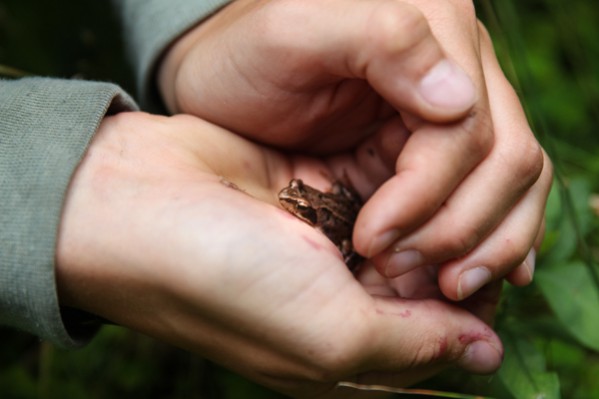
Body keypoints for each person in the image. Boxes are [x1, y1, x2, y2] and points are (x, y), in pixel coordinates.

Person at [0, 0, 552, 397]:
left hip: (344, 212)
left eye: (297, 207)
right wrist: (63, 190)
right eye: (293, 205)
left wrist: (212, 17)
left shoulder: (317, 202)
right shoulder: (299, 197)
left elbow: (330, 210)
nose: (291, 205)